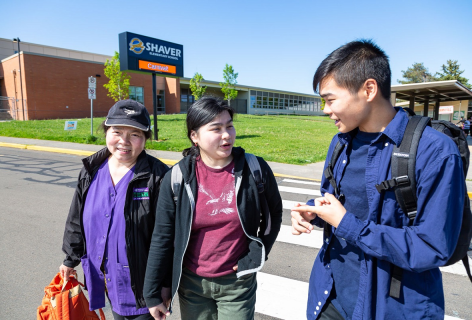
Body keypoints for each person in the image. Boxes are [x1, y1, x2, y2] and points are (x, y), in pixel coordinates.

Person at [290, 40, 464, 320]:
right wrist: (314, 211)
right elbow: (335, 203)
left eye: (330, 99)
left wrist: (348, 225)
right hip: (331, 298)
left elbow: (433, 246)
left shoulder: (435, 151)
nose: (325, 109)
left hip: (394, 307)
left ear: (369, 89)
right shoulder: (340, 143)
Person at [143, 96, 283, 320]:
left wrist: (259, 252)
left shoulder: (255, 168)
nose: (227, 135)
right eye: (216, 129)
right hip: (192, 284)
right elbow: (162, 236)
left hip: (237, 283)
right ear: (194, 136)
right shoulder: (177, 177)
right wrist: (153, 292)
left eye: (229, 126)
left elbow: (274, 214)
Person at [60, 99, 170, 320]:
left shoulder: (159, 176)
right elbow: (76, 218)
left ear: (146, 139)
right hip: (104, 279)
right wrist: (69, 259)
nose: (124, 141)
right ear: (106, 132)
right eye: (117, 131)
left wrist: (164, 287)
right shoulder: (91, 171)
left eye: (135, 134)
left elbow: (167, 237)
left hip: (143, 288)